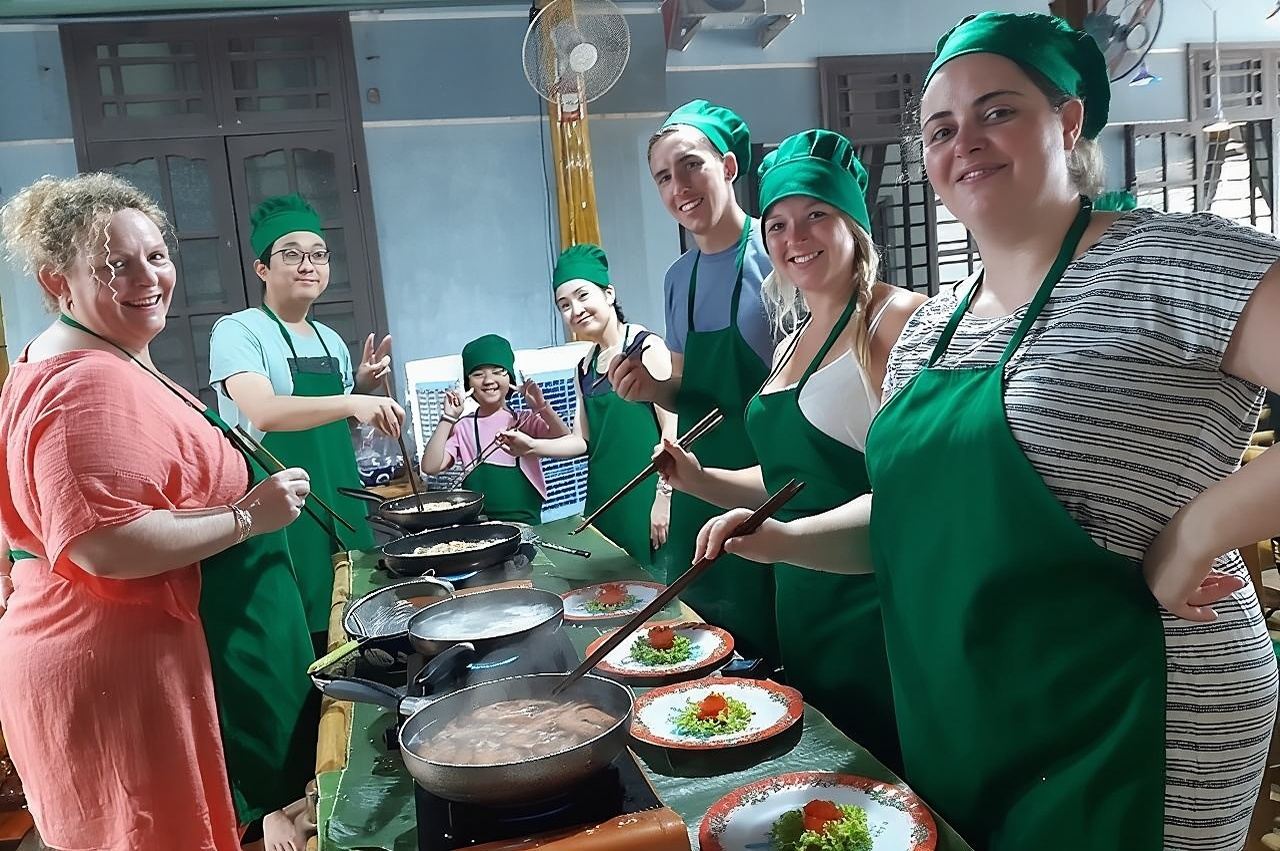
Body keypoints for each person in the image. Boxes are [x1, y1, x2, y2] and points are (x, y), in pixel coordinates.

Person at [696, 12, 1280, 851]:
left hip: (1135, 708)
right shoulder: (933, 329)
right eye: (941, 127)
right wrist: (782, 538)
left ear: (1068, 119)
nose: (964, 140)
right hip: (968, 712)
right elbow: (911, 517)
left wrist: (1203, 528)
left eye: (997, 111)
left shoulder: (1169, 261)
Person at [0, 173, 313, 851]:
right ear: (58, 281)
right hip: (129, 680)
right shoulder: (82, 381)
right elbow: (103, 542)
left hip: (136, 664)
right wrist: (247, 516)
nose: (147, 275)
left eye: (156, 255)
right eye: (115, 264)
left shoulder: (104, 352)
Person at [658, 130, 922, 766]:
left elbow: (909, 497)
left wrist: (784, 541)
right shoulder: (792, 338)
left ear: (853, 224)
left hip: (872, 604)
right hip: (802, 602)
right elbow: (784, 479)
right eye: (776, 224)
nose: (794, 239)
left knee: (886, 783)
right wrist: (700, 480)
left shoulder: (895, 321)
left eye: (815, 216)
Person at [610, 99, 779, 662]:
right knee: (701, 643)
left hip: (767, 479)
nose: (678, 186)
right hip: (695, 480)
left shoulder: (777, 255)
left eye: (691, 165)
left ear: (728, 167)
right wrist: (652, 389)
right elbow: (694, 389)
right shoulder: (676, 279)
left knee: (772, 645)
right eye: (663, 176)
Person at [209, 194, 404, 648]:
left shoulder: (330, 339)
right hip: (282, 507)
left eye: (318, 255)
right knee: (303, 635)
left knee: (360, 622)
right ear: (262, 268)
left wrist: (361, 389)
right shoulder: (238, 331)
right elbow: (265, 412)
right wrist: (351, 402)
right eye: (291, 254)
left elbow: (330, 421)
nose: (307, 265)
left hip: (341, 499)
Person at [497, 244, 676, 569]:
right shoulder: (583, 367)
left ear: (608, 293)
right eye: (564, 305)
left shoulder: (645, 347)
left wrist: (664, 498)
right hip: (604, 501)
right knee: (609, 599)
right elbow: (582, 441)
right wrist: (532, 445)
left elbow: (675, 430)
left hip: (646, 498)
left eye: (582, 296)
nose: (575, 310)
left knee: (654, 593)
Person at [420, 334, 569, 525]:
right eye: (478, 374)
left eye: (499, 371)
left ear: (511, 380)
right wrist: (448, 418)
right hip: (478, 525)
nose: (489, 380)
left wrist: (542, 408)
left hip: (525, 523)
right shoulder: (463, 426)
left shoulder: (526, 420)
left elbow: (566, 441)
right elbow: (430, 467)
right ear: (468, 384)